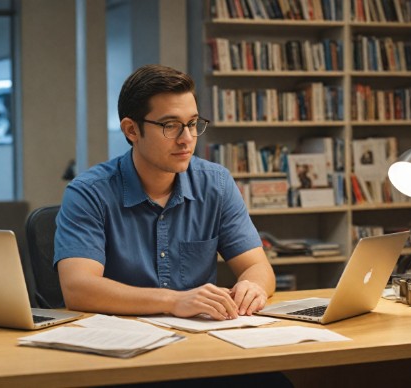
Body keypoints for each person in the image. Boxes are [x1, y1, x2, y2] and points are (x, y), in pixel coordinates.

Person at [54, 64, 276, 321]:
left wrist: (253, 286)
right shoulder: (88, 193)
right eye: (171, 126)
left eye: (192, 124)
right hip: (119, 341)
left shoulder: (217, 184)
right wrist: (173, 301)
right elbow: (78, 289)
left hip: (201, 341)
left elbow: (257, 266)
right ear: (131, 130)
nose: (187, 138)